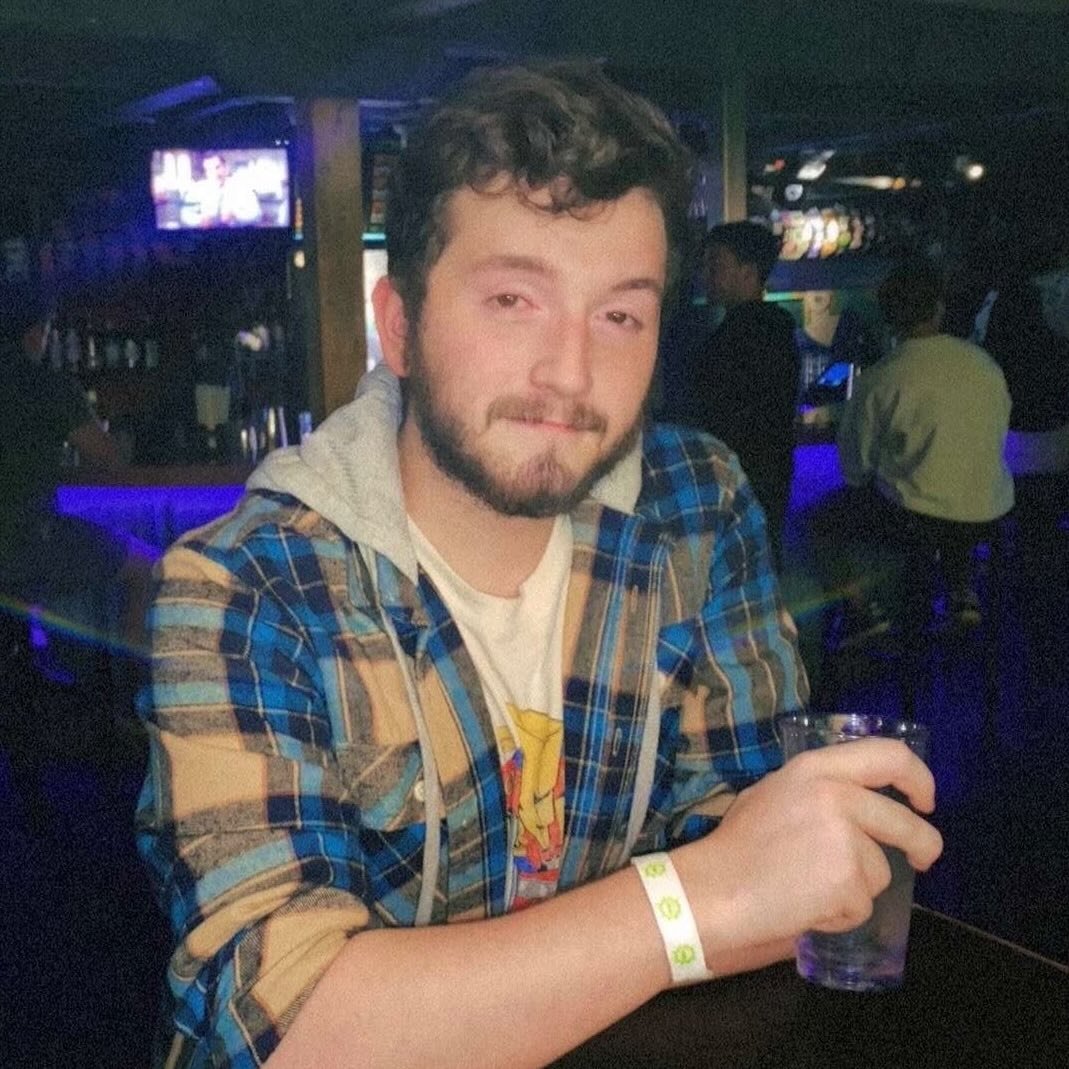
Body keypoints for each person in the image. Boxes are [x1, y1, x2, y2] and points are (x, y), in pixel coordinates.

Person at [136, 63, 942, 1069]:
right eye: (514, 298)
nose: (570, 371)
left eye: (620, 314)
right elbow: (298, 1030)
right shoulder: (245, 584)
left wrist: (759, 873)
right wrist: (695, 899)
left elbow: (768, 869)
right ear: (399, 328)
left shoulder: (693, 504)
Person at [837, 260, 1014, 629]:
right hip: (989, 508)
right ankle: (960, 589)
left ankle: (866, 614)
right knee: (948, 491)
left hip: (917, 519)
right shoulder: (984, 363)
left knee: (824, 521)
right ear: (939, 308)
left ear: (888, 318)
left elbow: (855, 467)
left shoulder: (881, 378)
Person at [661, 222, 800, 567]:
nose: (706, 274)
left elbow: (723, 414)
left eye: (716, 265)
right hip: (764, 474)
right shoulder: (772, 330)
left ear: (748, 272)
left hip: (741, 477)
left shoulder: (743, 336)